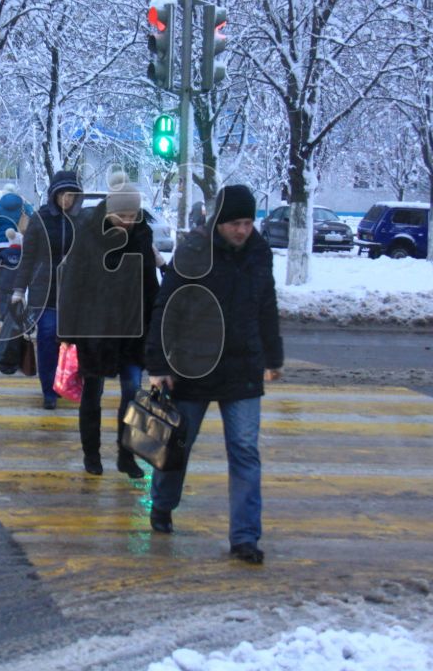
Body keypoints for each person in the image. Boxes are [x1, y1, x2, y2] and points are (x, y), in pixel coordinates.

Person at [145, 184, 283, 564]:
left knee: (244, 451)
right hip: (193, 367)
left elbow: (266, 304)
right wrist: (158, 366)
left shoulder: (259, 252)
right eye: (236, 223)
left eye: (248, 222)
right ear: (219, 222)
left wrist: (273, 356)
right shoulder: (192, 251)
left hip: (242, 367)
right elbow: (165, 309)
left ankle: (245, 537)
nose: (243, 230)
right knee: (178, 446)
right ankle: (163, 504)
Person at [56, 172, 160, 478]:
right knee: (93, 392)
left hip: (132, 328)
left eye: (132, 215)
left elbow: (148, 282)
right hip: (96, 329)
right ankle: (92, 454)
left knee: (132, 392)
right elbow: (72, 284)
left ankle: (126, 456)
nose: (127, 221)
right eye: (121, 216)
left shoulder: (142, 235)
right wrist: (68, 333)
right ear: (109, 211)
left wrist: (155, 323)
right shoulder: (88, 233)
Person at [11, 171, 83, 409]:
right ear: (54, 195)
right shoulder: (40, 220)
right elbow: (28, 257)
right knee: (47, 337)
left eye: (71, 195)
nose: (67, 200)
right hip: (45, 292)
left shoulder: (80, 221)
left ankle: (64, 382)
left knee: (69, 344)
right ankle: (49, 390)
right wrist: (19, 290)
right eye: (63, 194)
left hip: (73, 294)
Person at [0, 184, 34, 318]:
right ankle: (17, 308)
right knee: (18, 277)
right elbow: (33, 222)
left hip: (0, 247)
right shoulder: (25, 206)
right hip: (20, 246)